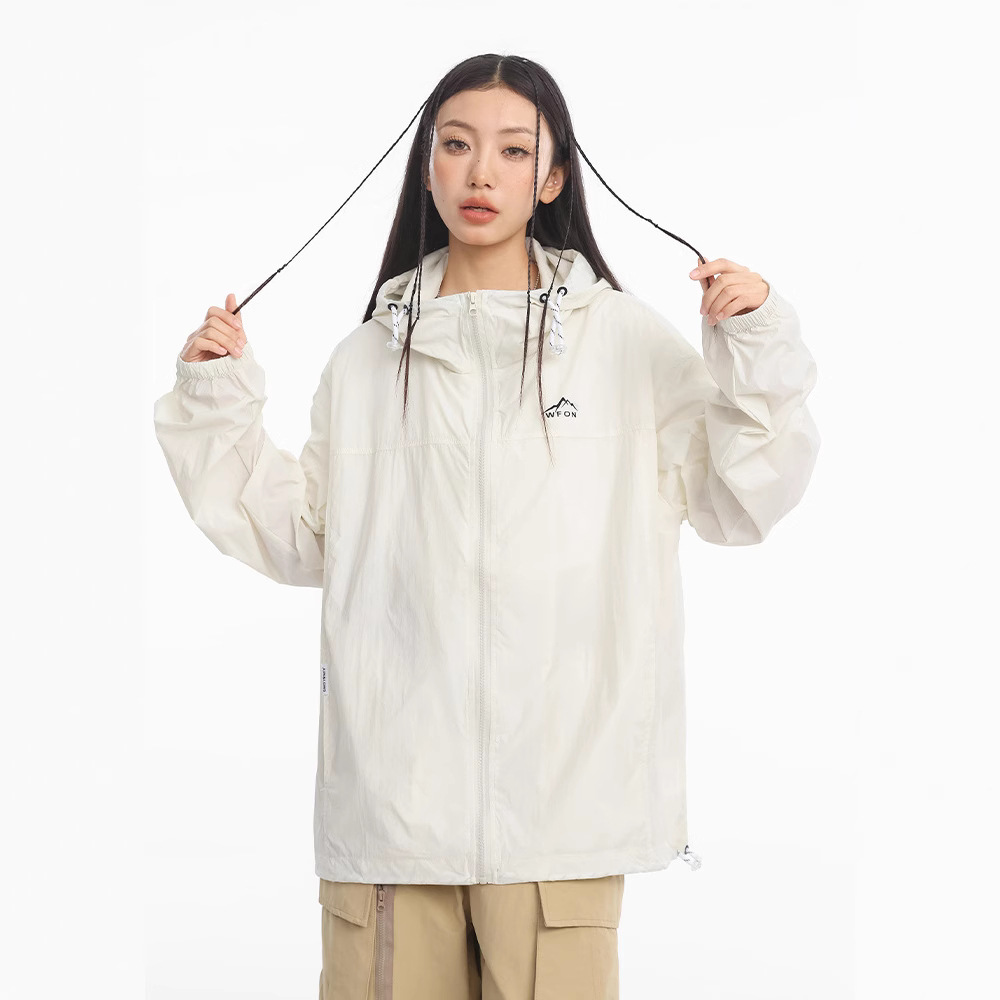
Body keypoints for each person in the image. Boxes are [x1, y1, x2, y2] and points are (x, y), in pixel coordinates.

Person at [152, 52, 820, 1000]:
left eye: (513, 150)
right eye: (457, 144)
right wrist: (215, 399)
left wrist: (755, 345)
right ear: (427, 165)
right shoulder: (366, 361)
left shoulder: (622, 343)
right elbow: (305, 538)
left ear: (551, 179)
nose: (480, 172)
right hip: (390, 816)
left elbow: (741, 499)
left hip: (564, 817)